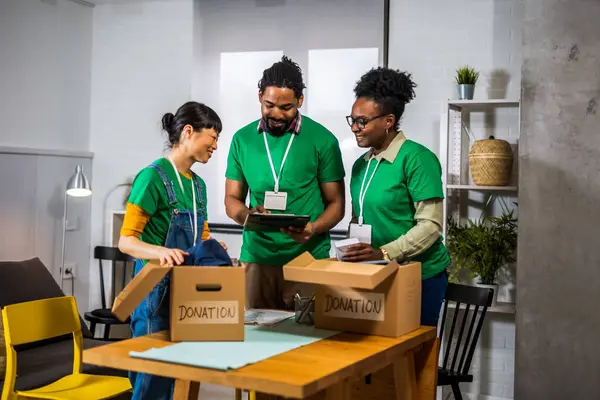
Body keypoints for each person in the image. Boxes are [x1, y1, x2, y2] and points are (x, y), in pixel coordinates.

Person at [118, 101, 224, 400]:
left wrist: (213, 248)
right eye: (213, 137)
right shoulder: (152, 177)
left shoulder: (198, 186)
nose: (215, 145)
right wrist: (159, 252)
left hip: (187, 291)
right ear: (189, 132)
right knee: (153, 377)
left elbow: (201, 235)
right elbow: (126, 241)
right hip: (155, 290)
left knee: (182, 374)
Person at [225, 56, 346, 310]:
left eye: (287, 107)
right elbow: (231, 199)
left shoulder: (323, 140)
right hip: (257, 259)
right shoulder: (242, 140)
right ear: (259, 96)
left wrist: (312, 228)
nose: (276, 114)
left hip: (308, 259)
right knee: (254, 341)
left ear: (300, 101)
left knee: (308, 341)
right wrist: (247, 215)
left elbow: (336, 204)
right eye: (269, 105)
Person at [343, 67, 451, 327]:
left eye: (362, 121)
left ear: (388, 121)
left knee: (411, 359)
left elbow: (431, 226)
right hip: (377, 272)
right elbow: (360, 218)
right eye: (352, 120)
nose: (355, 128)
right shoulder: (361, 165)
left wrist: (383, 252)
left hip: (420, 277)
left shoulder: (417, 159)